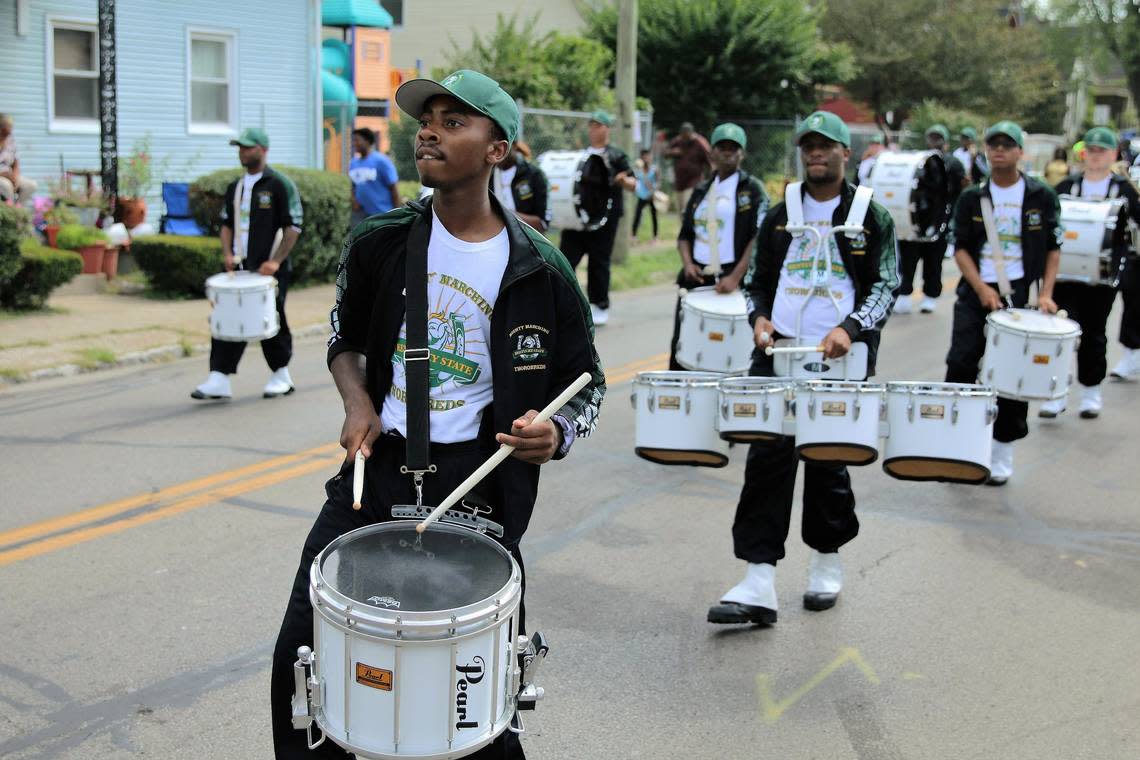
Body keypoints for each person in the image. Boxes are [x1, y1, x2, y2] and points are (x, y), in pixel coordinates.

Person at [268, 69, 605, 759]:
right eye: (428, 119)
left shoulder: (539, 267)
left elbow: (589, 384)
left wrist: (558, 431)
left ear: (497, 151)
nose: (429, 130)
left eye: (456, 122)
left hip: (479, 485)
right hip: (379, 470)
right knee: (304, 655)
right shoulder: (381, 240)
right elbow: (344, 336)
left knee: (473, 683)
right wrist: (358, 400)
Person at [707, 112, 899, 625]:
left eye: (826, 146)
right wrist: (760, 317)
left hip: (840, 355)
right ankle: (758, 578)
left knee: (827, 459)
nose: (816, 154)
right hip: (780, 354)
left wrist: (852, 327)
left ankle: (826, 560)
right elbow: (758, 281)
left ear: (845, 153)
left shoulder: (869, 214)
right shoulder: (781, 212)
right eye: (808, 147)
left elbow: (886, 284)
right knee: (767, 459)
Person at [944, 120, 1062, 486]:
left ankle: (1002, 449)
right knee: (962, 362)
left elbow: (1054, 249)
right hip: (976, 292)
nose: (999, 151)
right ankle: (957, 445)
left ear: (1019, 152)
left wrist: (1045, 294)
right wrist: (980, 288)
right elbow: (961, 247)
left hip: (1020, 297)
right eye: (993, 145)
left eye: (1007, 145)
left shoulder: (1041, 196)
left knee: (1013, 374)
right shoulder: (971, 197)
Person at [192, 128, 303, 401]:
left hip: (269, 269)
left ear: (263, 150)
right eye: (240, 147)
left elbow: (293, 227)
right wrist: (227, 254)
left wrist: (275, 262)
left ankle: (281, 374)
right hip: (240, 267)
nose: (242, 152)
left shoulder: (278, 184)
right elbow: (227, 224)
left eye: (248, 147)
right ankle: (219, 377)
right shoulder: (236, 187)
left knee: (270, 316)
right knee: (227, 316)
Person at [1043, 127, 1140, 417]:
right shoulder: (1065, 186)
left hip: (1102, 275)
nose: (1095, 156)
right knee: (1061, 335)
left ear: (1113, 155)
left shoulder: (1124, 190)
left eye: (1102, 150)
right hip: (1064, 274)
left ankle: (1090, 392)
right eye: (1091, 150)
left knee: (1095, 333)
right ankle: (1056, 393)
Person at [669, 123, 769, 369]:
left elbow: (758, 237)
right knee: (686, 344)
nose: (727, 153)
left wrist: (736, 276)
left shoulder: (752, 190)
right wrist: (689, 264)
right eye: (722, 147)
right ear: (711, 152)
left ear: (742, 153)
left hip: (732, 278)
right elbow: (684, 235)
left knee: (729, 349)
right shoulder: (702, 190)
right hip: (698, 278)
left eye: (733, 148)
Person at [559, 110, 636, 326]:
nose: (593, 129)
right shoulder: (582, 156)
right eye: (591, 125)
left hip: (605, 218)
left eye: (597, 125)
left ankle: (599, 305)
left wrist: (624, 181)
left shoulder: (617, 155)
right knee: (565, 259)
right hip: (579, 217)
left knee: (599, 262)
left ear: (606, 128)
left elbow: (633, 183)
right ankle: (563, 302)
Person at [894, 124, 965, 315]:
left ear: (946, 142)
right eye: (932, 137)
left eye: (938, 138)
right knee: (907, 261)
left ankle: (930, 296)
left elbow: (959, 193)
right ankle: (904, 294)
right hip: (914, 221)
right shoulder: (919, 161)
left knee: (933, 263)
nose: (935, 141)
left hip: (939, 220)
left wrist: (951, 220)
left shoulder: (953, 163)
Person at [492, 139, 551, 232]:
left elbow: (541, 224)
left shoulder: (533, 174)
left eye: (501, 147)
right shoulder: (488, 177)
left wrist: (507, 215)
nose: (497, 152)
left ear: (514, 145)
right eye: (493, 148)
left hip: (526, 238)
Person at [348, 127, 401, 226]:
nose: (354, 143)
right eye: (353, 140)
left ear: (367, 141)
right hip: (360, 215)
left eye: (357, 140)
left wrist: (396, 214)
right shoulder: (353, 163)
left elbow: (394, 188)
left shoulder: (381, 161)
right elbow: (353, 186)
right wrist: (354, 200)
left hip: (382, 214)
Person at [666, 122, 711, 219]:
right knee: (681, 209)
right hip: (680, 181)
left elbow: (710, 160)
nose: (685, 139)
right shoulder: (678, 141)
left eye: (687, 137)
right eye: (683, 137)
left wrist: (714, 176)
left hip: (694, 180)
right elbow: (666, 152)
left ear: (691, 134)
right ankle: (683, 231)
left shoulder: (700, 143)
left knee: (687, 205)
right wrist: (672, 152)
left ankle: (692, 229)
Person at [0, 114, 36, 205]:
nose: (8, 133)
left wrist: (15, 177)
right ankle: (10, 212)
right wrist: (4, 175)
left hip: (9, 175)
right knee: (7, 186)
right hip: (3, 176)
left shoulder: (10, 140)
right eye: (4, 131)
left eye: (9, 130)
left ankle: (18, 210)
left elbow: (16, 161)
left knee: (30, 185)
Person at [632, 148, 659, 241]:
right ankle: (633, 236)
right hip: (642, 196)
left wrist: (653, 191)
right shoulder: (639, 170)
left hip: (651, 196)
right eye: (644, 156)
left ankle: (655, 236)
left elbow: (658, 182)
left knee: (654, 216)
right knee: (637, 215)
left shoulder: (654, 169)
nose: (646, 158)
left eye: (648, 156)